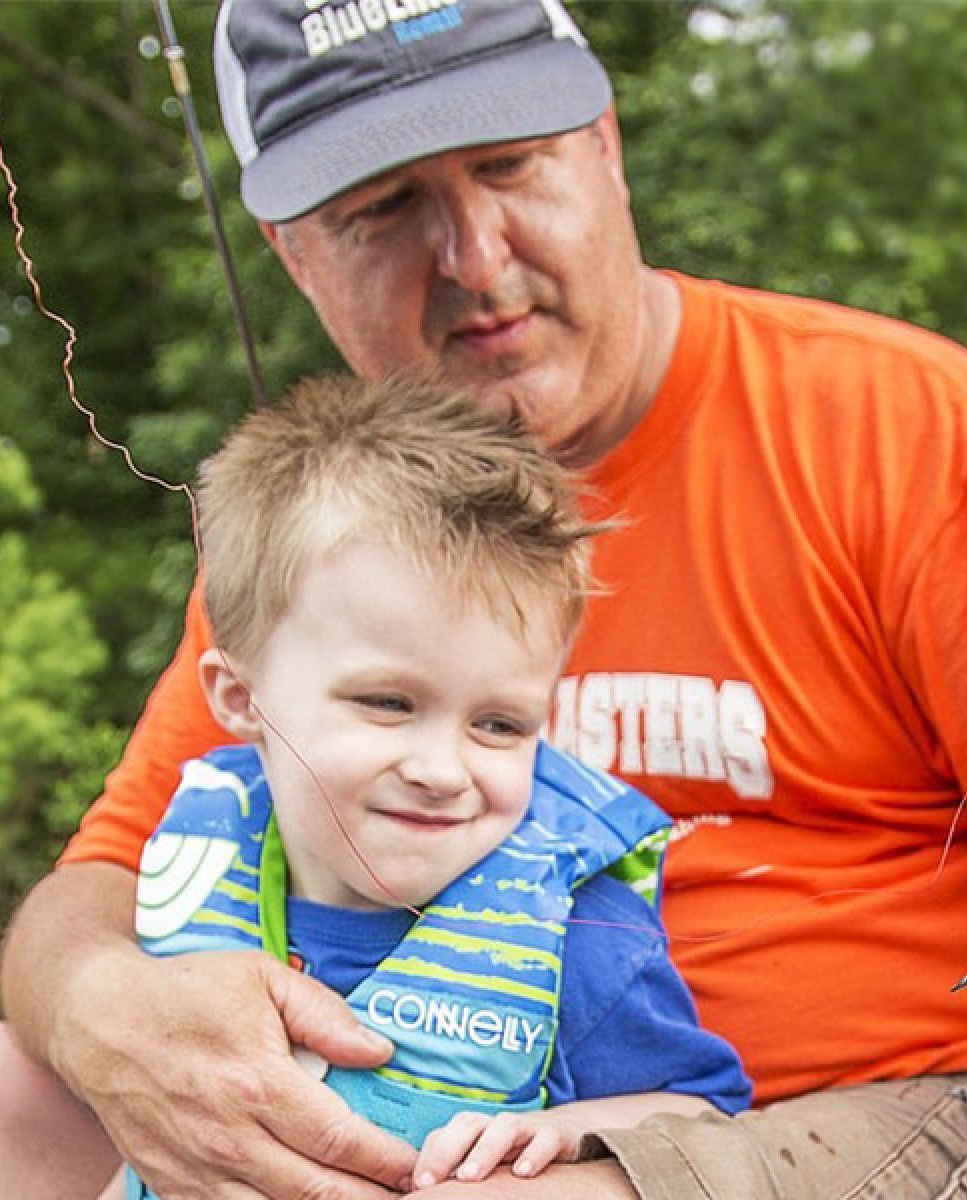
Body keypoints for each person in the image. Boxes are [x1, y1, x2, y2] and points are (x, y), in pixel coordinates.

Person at [0, 1, 967, 1197]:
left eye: (509, 165)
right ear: (291, 251)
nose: (475, 256)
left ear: (605, 144)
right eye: (383, 208)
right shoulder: (327, 539)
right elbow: (97, 881)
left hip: (913, 1103)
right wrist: (105, 1011)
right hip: (446, 1102)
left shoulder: (907, 435)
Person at [98, 372, 749, 1200]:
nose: (442, 772)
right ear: (240, 699)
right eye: (388, 703)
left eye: (500, 726)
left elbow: (703, 1114)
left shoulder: (579, 932)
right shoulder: (193, 858)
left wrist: (560, 1132)